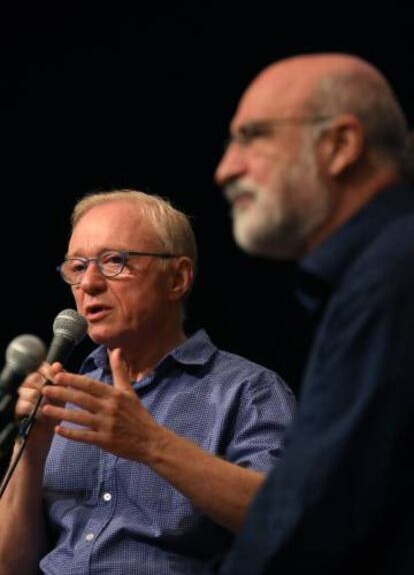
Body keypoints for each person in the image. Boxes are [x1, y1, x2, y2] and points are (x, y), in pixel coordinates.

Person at [0, 190, 294, 575]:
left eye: (113, 262)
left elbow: (285, 522)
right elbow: (10, 565)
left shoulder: (248, 391)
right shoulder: (64, 397)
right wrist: (32, 447)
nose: (88, 283)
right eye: (77, 266)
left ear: (177, 278)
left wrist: (149, 442)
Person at [214, 53, 414, 574]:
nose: (226, 169)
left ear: (341, 146)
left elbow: (311, 525)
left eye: (252, 136)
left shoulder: (392, 277)